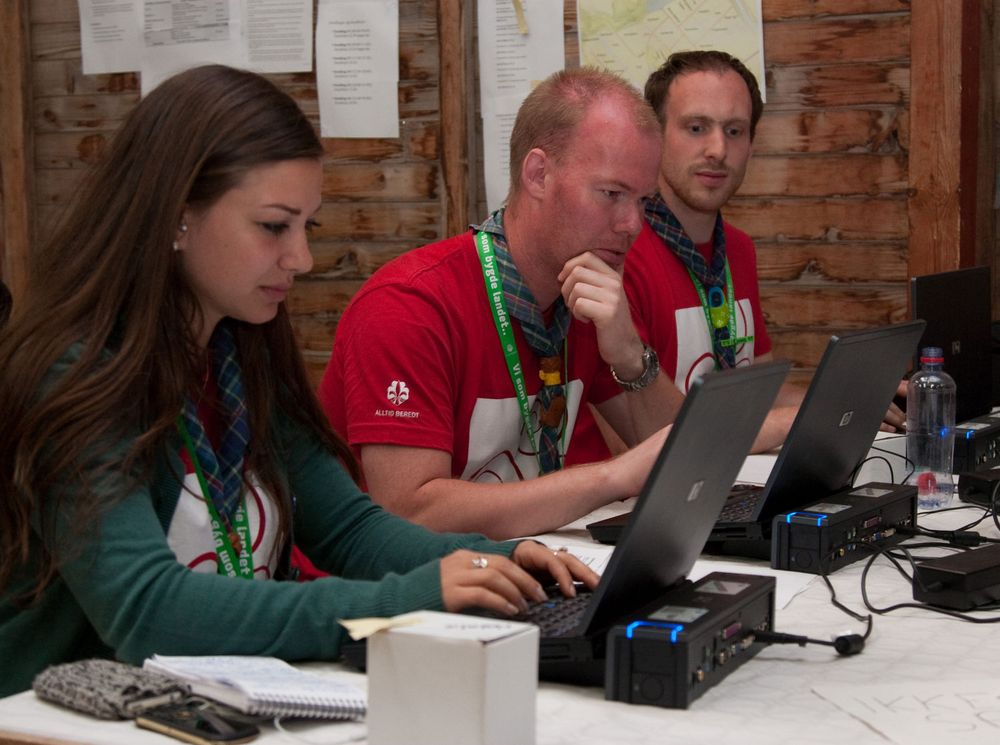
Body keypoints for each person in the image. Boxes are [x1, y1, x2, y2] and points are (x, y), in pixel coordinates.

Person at [0, 65, 597, 698]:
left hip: (211, 701)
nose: (302, 259)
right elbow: (147, 610)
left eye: (306, 227)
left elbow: (348, 529)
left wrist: (493, 562)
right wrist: (406, 601)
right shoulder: (76, 376)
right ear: (178, 216)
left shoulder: (239, 352)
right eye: (272, 226)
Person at [321, 68, 674, 540]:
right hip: (398, 597)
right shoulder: (408, 306)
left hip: (517, 572)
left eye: (644, 201)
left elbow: (677, 461)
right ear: (538, 174)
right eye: (611, 194)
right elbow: (407, 514)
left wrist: (631, 355)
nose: (633, 224)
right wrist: (611, 477)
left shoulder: (586, 285)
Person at [623, 51, 905, 450]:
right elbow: (632, 436)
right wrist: (794, 423)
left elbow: (758, 389)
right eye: (697, 127)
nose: (718, 149)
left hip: (728, 477)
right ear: (655, 138)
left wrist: (850, 398)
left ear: (752, 145)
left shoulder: (737, 248)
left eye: (735, 131)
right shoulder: (621, 254)